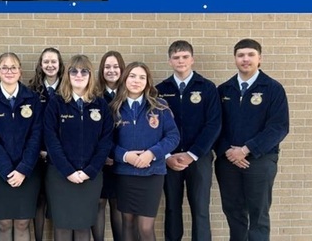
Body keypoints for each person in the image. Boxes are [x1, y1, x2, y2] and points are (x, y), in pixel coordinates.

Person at [215, 39, 289, 241]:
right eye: (240, 55)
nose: (245, 59)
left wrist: (247, 149)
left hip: (260, 160)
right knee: (233, 212)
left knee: (258, 215)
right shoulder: (224, 90)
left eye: (250, 55)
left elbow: (279, 127)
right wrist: (228, 151)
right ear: (235, 59)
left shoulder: (273, 89)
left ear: (259, 59)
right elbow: (215, 125)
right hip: (227, 161)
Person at [155, 41, 221, 241]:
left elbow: (214, 125)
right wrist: (166, 155)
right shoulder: (159, 90)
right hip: (170, 159)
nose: (180, 61)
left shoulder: (207, 88)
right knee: (172, 208)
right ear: (170, 61)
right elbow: (155, 127)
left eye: (184, 57)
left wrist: (192, 154)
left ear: (192, 59)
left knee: (200, 209)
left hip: (198, 158)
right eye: (176, 57)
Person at [43, 55, 114, 241]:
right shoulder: (56, 104)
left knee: (83, 228)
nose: (79, 75)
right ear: (67, 75)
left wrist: (89, 171)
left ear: (91, 75)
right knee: (63, 228)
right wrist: (68, 171)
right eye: (74, 71)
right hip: (60, 176)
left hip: (90, 177)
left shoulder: (101, 105)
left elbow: (106, 141)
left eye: (84, 71)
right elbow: (51, 140)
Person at [0, 52, 44, 241]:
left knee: (23, 222)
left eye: (13, 67)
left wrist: (23, 169)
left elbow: (36, 136)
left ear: (20, 71)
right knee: (4, 223)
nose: (9, 71)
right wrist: (7, 170)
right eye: (4, 67)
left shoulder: (32, 99)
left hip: (28, 171)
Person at [110, 62, 180, 241]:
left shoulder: (160, 106)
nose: (136, 81)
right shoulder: (114, 108)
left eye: (142, 77)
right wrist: (125, 156)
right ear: (125, 79)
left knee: (145, 227)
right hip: (125, 173)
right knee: (128, 222)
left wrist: (152, 153)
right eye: (132, 76)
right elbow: (106, 143)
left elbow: (173, 137)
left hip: (152, 173)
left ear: (148, 82)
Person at [28, 48, 65, 241]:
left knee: (58, 201)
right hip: (36, 153)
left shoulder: (68, 88)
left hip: (60, 155)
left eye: (54, 62)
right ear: (40, 65)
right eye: (46, 62)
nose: (50, 65)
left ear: (60, 65)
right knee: (39, 200)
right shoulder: (32, 89)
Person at [93, 51, 126, 241]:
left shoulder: (129, 93)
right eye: (107, 67)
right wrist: (101, 154)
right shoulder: (94, 95)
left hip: (122, 159)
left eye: (115, 66)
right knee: (99, 203)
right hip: (100, 160)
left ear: (122, 69)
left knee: (118, 204)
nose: (111, 70)